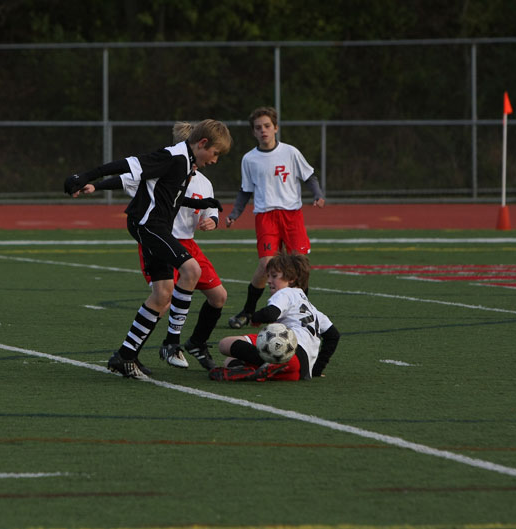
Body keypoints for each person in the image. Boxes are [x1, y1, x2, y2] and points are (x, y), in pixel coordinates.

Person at [64, 119, 232, 379]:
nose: (215, 160)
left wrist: (200, 201)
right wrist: (86, 176)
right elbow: (129, 165)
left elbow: (167, 195)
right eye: (216, 153)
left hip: (157, 226)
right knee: (191, 269)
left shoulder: (187, 163)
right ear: (203, 143)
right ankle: (171, 342)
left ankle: (125, 356)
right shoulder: (175, 156)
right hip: (148, 224)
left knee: (163, 294)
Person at [225, 106, 325, 329]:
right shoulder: (249, 159)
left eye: (267, 126)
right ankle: (248, 312)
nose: (263, 131)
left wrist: (317, 195)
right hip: (265, 216)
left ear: (276, 128)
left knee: (300, 265)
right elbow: (245, 191)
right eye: (258, 128)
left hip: (292, 216)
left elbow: (309, 176)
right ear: (253, 132)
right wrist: (234, 214)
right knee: (266, 265)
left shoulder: (291, 152)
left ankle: (302, 311)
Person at [210, 251, 340, 382]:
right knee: (230, 360)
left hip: (287, 353)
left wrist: (254, 317)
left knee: (224, 344)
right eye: (268, 276)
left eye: (274, 276)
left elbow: (271, 313)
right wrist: (316, 370)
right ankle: (257, 370)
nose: (269, 280)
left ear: (291, 279)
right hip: (299, 371)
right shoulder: (312, 308)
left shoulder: (286, 292)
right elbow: (333, 335)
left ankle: (270, 364)